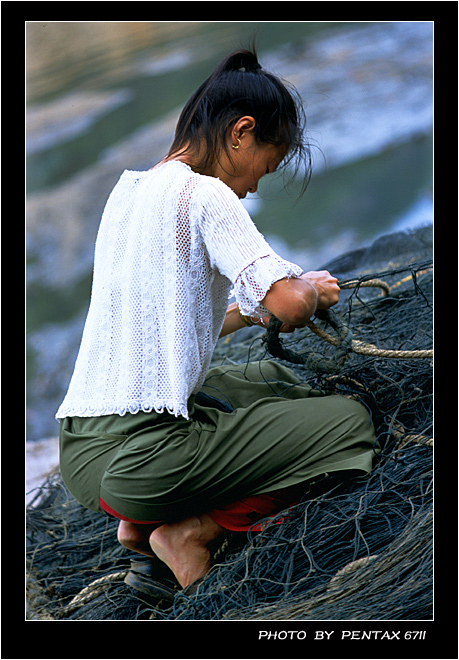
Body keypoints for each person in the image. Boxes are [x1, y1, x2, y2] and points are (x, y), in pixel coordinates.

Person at [56, 48, 377, 593]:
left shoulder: (128, 192)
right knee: (351, 423)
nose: (254, 186)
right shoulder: (207, 194)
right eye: (266, 165)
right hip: (144, 459)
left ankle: (138, 525)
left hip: (84, 457)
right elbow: (289, 305)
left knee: (277, 383)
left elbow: (170, 323)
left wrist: (248, 315)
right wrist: (312, 290)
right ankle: (189, 532)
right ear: (241, 132)